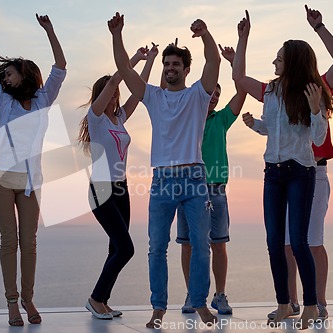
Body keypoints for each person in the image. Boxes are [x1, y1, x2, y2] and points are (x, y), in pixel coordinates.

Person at [108, 12, 221, 327]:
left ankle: (198, 302)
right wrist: (117, 35)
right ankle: (159, 306)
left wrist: (205, 34)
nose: (170, 68)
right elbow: (124, 70)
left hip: (195, 179)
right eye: (166, 64)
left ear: (186, 69)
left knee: (201, 244)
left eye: (176, 65)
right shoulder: (153, 96)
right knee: (156, 246)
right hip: (162, 181)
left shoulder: (198, 94)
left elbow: (214, 63)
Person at [234, 10, 333, 329]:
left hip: (301, 172)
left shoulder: (310, 92)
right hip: (273, 173)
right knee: (275, 242)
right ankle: (283, 304)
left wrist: (318, 108)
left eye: (279, 59)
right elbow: (239, 79)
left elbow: (318, 137)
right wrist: (243, 39)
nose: (274, 63)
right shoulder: (270, 92)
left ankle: (310, 305)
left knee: (301, 241)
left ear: (291, 61)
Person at [0, 10, 66, 326]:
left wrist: (50, 30)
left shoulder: (43, 98)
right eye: (3, 74)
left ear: (24, 73)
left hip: (30, 179)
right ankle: (11, 303)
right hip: (1, 175)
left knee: (29, 240)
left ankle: (29, 298)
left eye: (9, 73)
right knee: (10, 238)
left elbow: (60, 67)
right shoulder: (2, 99)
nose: (4, 78)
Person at [266, 4, 333, 322]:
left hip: (315, 173)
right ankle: (291, 303)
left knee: (312, 241)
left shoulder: (319, 86)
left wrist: (319, 27)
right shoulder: (277, 91)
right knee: (285, 244)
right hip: (283, 172)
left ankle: (320, 304)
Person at [79, 43, 159, 320]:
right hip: (100, 189)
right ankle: (95, 298)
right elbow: (118, 77)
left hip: (120, 188)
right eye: (111, 91)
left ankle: (103, 301)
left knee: (116, 247)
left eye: (116, 92)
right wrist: (135, 57)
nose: (115, 93)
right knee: (126, 248)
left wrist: (150, 60)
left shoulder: (120, 118)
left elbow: (141, 88)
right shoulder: (97, 118)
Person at [175, 44, 246, 316]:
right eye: (211, 93)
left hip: (216, 190)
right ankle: (193, 296)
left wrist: (231, 62)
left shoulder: (222, 119)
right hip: (188, 187)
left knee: (219, 243)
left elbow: (242, 92)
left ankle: (219, 295)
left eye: (217, 94)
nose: (213, 98)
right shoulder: (187, 117)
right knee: (189, 244)